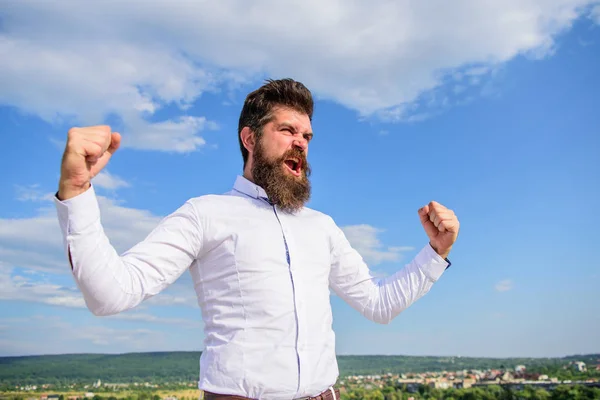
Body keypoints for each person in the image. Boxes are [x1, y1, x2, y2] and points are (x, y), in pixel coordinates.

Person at [54, 79, 459, 400]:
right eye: (287, 130)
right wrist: (77, 192)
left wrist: (436, 252)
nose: (301, 141)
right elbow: (110, 293)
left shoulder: (322, 227)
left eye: (307, 135)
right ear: (250, 139)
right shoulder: (205, 214)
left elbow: (378, 303)